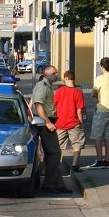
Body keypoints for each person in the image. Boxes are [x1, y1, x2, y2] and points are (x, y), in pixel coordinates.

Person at [31, 65, 69, 193]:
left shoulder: (47, 85)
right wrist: (47, 122)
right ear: (47, 74)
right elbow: (39, 105)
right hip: (43, 122)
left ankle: (58, 183)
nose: (56, 75)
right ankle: (50, 184)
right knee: (54, 152)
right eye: (54, 73)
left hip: (46, 121)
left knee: (53, 153)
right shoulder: (43, 86)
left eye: (56, 73)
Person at [53, 70, 86, 174]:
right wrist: (81, 122)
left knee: (58, 146)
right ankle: (74, 165)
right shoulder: (78, 92)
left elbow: (53, 106)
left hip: (60, 123)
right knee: (77, 144)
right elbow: (79, 110)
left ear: (66, 78)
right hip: (74, 122)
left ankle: (55, 166)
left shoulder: (59, 91)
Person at [88, 57, 109, 168]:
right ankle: (107, 160)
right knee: (108, 136)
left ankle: (99, 160)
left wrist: (98, 98)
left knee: (97, 136)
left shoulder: (100, 78)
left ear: (102, 67)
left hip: (101, 110)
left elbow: (93, 93)